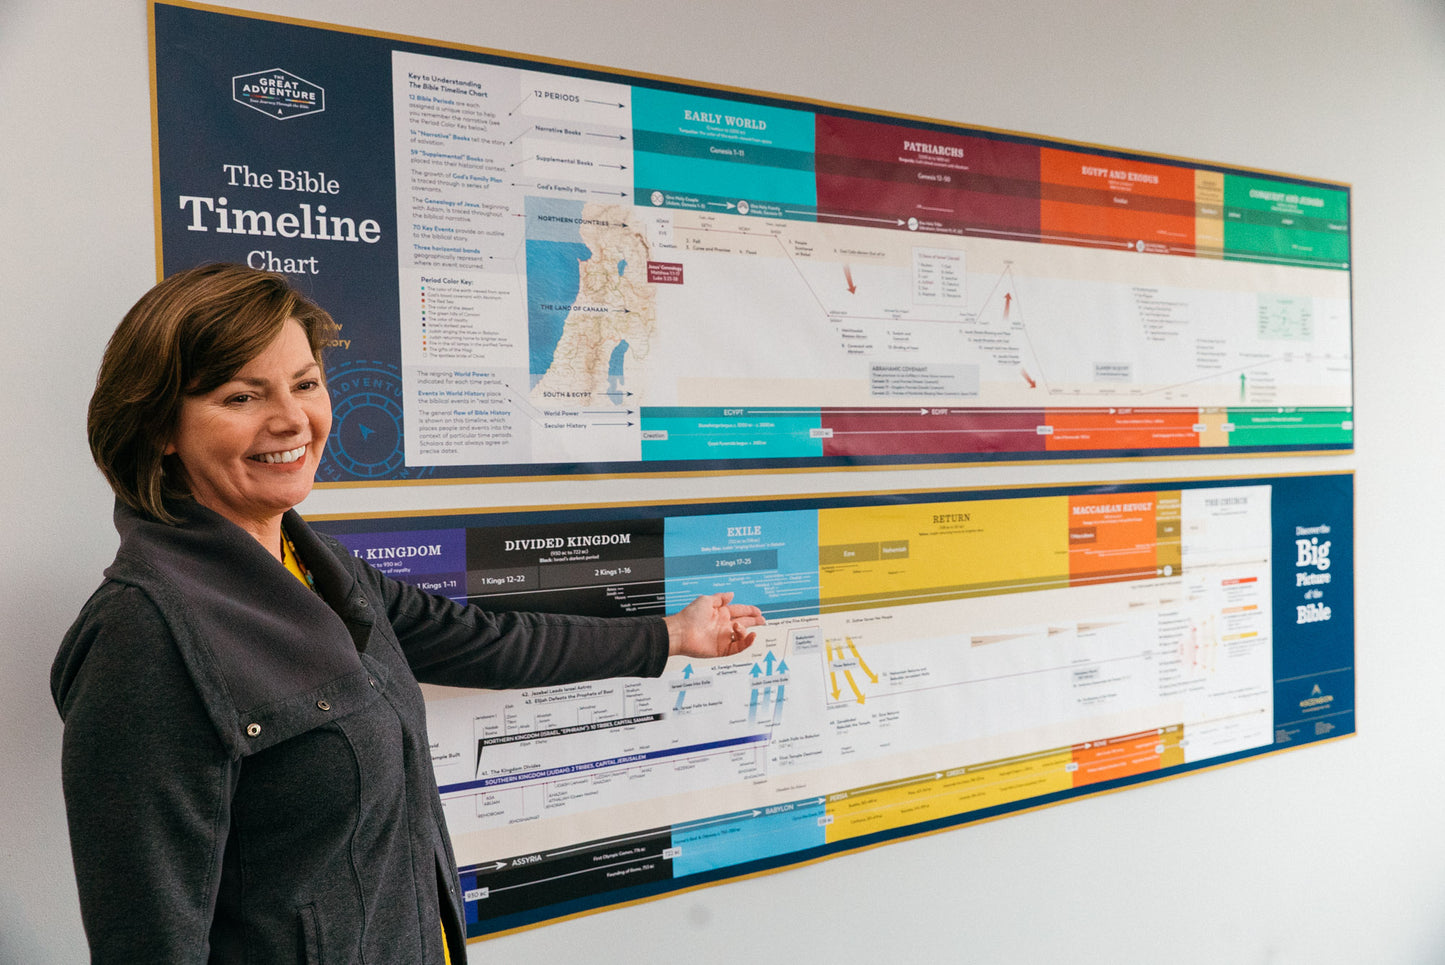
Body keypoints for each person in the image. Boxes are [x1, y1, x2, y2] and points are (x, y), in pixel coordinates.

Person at [52, 263, 765, 964]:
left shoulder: (320, 569)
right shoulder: (143, 633)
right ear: (161, 428)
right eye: (242, 397)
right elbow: (146, 939)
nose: (291, 418)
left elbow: (487, 643)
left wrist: (674, 635)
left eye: (305, 384)